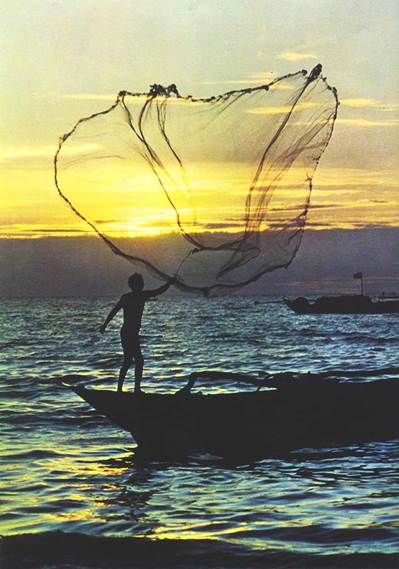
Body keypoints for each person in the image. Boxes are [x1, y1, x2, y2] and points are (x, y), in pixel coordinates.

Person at [100, 273, 175, 394]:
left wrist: (169, 284)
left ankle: (126, 389)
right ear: (132, 285)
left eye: (141, 283)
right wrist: (105, 324)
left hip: (132, 333)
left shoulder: (143, 295)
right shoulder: (127, 297)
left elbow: (158, 291)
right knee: (136, 360)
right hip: (127, 332)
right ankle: (132, 390)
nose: (141, 285)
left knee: (129, 361)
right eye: (139, 283)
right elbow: (114, 310)